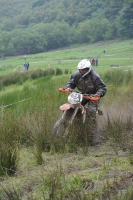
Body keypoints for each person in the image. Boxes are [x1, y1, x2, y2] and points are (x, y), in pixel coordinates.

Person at [62, 59, 107, 145]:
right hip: (81, 95)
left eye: (83, 69)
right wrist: (67, 87)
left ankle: (93, 136)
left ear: (88, 69)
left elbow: (102, 88)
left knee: (90, 111)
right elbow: (70, 83)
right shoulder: (76, 75)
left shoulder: (95, 76)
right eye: (80, 69)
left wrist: (98, 94)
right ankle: (71, 127)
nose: (81, 71)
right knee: (71, 107)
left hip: (92, 96)